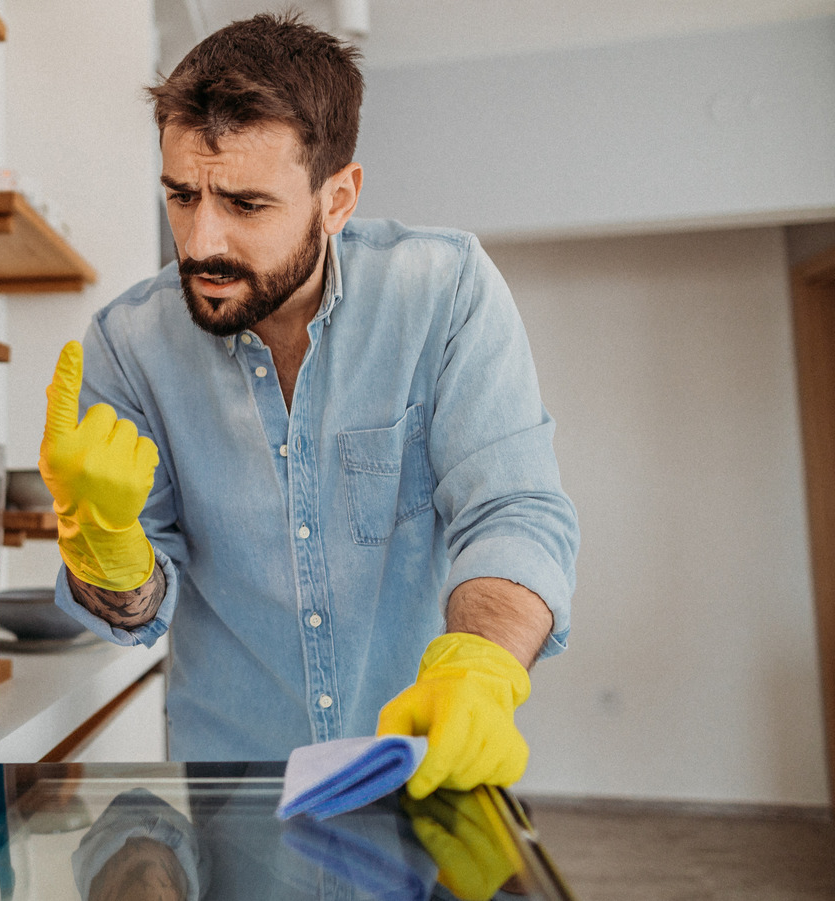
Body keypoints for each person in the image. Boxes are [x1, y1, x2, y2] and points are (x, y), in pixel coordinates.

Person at [37, 13, 579, 798]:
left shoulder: (444, 290)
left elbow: (514, 507)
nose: (200, 242)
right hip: (236, 799)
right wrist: (106, 554)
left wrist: (482, 666)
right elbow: (142, 603)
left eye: (246, 204)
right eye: (182, 196)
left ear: (338, 197)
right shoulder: (126, 345)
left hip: (423, 772)